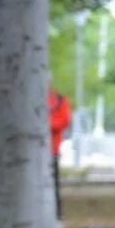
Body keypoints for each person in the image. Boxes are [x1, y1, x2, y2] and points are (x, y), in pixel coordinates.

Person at [48, 87, 71, 220]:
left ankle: (56, 215)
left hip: (52, 150)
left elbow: (64, 121)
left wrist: (45, 124)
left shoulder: (59, 100)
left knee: (53, 185)